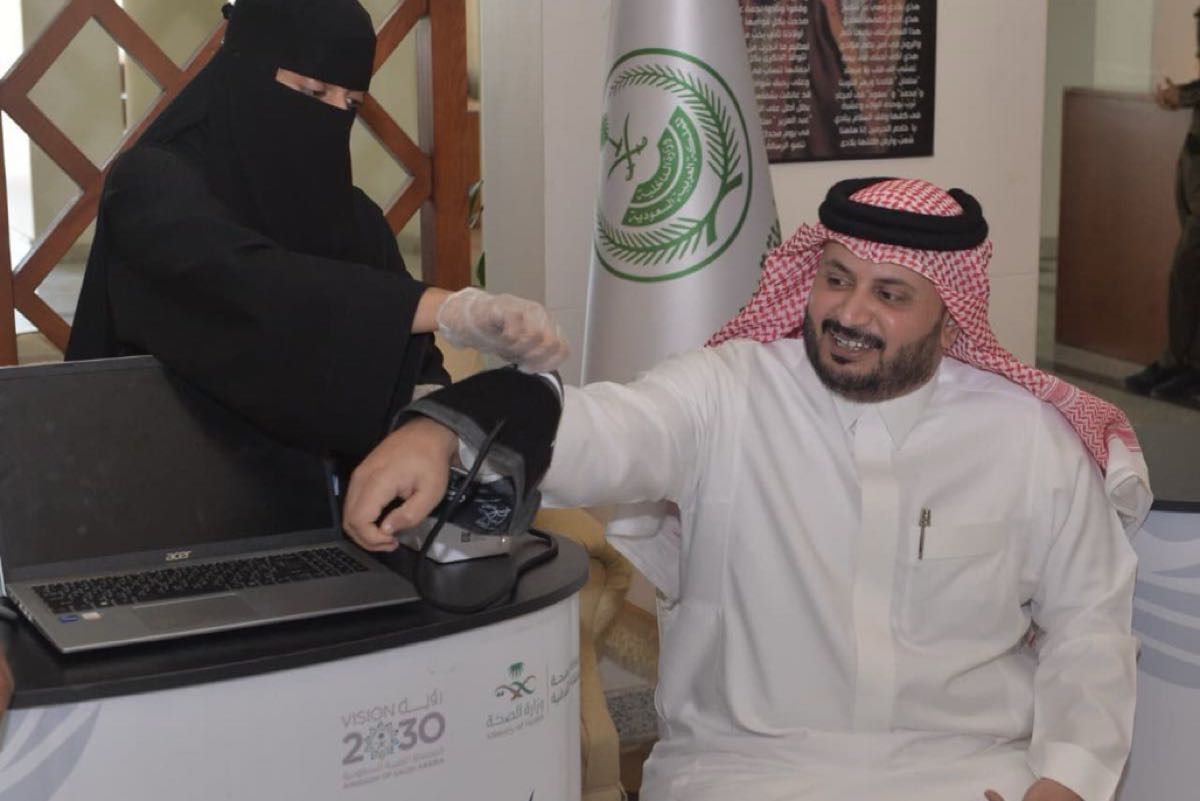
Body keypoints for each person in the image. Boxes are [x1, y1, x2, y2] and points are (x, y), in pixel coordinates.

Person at [344, 177, 1148, 801]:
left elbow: (1090, 625)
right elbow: (610, 427)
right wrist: (450, 429)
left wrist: (1066, 779)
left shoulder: (1025, 438)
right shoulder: (728, 393)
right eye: (836, 278)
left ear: (949, 317)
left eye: (890, 294)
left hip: (966, 773)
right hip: (747, 772)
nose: (849, 312)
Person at [66, 0, 566, 472]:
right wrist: (448, 308)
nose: (331, 115)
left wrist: (440, 431)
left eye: (350, 103)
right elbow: (244, 283)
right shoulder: (150, 184)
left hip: (324, 508)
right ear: (246, 70)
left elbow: (415, 373)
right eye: (312, 93)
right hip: (150, 488)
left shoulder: (356, 220)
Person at [1126, 6, 1200, 403]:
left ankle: (1187, 365)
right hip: (1192, 169)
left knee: (1187, 270)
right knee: (1188, 274)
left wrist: (1182, 96)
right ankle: (1179, 362)